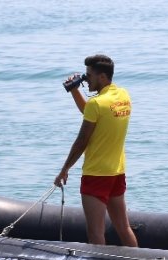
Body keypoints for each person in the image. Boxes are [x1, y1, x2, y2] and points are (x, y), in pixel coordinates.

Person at [54, 54, 139, 247]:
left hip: (96, 175)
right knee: (123, 228)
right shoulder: (123, 96)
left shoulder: (96, 104)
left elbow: (82, 140)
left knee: (95, 233)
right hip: (117, 172)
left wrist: (64, 169)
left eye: (89, 76)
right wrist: (76, 91)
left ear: (101, 77)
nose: (87, 80)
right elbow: (94, 113)